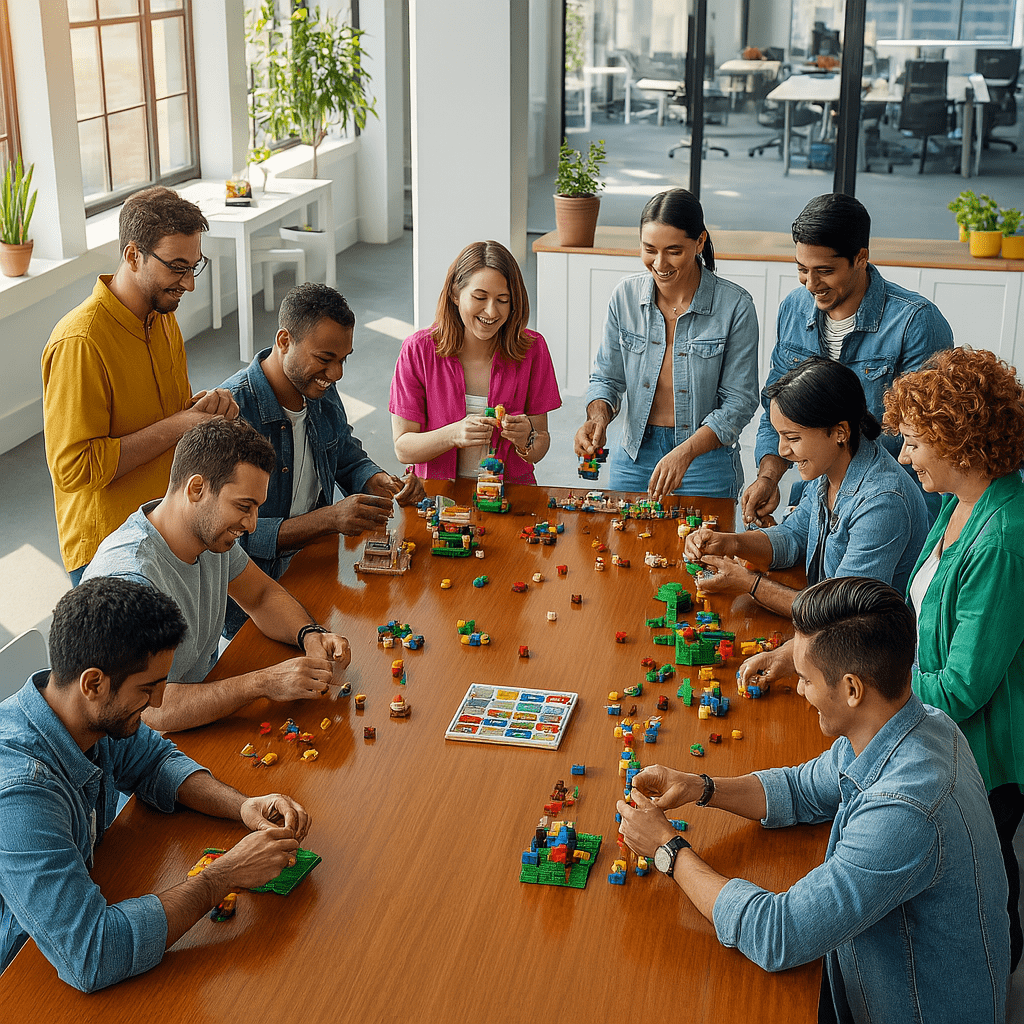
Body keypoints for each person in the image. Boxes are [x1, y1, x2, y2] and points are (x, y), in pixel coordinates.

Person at [616, 576, 1009, 1024]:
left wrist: (668, 850)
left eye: (806, 679)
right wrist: (699, 786)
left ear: (852, 689)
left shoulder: (905, 812)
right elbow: (801, 788)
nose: (800, 690)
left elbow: (779, 934)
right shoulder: (918, 720)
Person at [0, 577, 310, 992]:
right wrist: (224, 875)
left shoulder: (83, 713)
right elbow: (92, 954)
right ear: (93, 684)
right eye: (147, 688)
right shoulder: (20, 795)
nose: (159, 702)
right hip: (20, 970)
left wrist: (242, 805)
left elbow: (154, 761)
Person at [883, 346, 1024, 973]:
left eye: (914, 442)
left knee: (986, 878)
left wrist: (869, 683)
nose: (903, 456)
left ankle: (991, 978)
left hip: (987, 755)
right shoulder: (956, 503)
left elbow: (964, 685)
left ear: (959, 443)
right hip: (944, 732)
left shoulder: (1003, 537)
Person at [82, 417, 350, 733]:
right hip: (145, 743)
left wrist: (310, 634)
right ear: (196, 488)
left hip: (199, 720)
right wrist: (262, 683)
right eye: (244, 506)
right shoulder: (131, 580)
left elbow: (261, 596)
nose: (252, 524)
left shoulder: (209, 535)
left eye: (256, 508)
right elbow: (154, 709)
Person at [42, 186, 239, 585]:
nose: (189, 284)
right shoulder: (80, 342)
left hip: (167, 527)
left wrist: (201, 410)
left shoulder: (163, 317)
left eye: (194, 266)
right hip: (111, 552)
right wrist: (181, 424)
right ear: (133, 256)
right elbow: (75, 468)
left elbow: (166, 416)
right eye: (177, 267)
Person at [685, 357, 928, 680]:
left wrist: (747, 583)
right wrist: (731, 542)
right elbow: (794, 537)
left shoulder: (882, 502)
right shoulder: (829, 467)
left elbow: (842, 614)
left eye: (793, 438)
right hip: (827, 637)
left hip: (867, 661)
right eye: (779, 436)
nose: (782, 451)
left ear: (839, 432)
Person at [221, 283, 426, 637]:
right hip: (253, 604)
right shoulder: (234, 414)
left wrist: (374, 478)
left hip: (316, 571)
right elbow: (231, 539)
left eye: (343, 359)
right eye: (325, 359)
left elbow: (343, 450)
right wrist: (328, 520)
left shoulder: (319, 391)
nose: (336, 374)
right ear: (284, 340)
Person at [742, 192, 953, 525]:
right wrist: (769, 477)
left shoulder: (916, 322)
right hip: (817, 498)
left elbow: (929, 438)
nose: (811, 285)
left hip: (892, 506)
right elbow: (777, 405)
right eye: (802, 269)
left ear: (860, 258)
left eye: (825, 271)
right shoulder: (793, 309)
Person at [574, 189, 759, 500]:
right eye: (650, 250)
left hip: (705, 460)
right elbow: (606, 378)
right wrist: (598, 419)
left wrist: (685, 453)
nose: (660, 263)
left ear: (700, 242)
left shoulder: (735, 305)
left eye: (674, 251)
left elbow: (739, 402)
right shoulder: (625, 296)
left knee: (701, 534)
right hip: (634, 454)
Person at [389, 240, 561, 484]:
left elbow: (539, 448)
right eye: (480, 297)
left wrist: (527, 438)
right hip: (436, 495)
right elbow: (403, 449)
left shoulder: (533, 349)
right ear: (455, 294)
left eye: (503, 300)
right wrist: (453, 434)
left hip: (511, 494)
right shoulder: (417, 350)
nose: (491, 312)